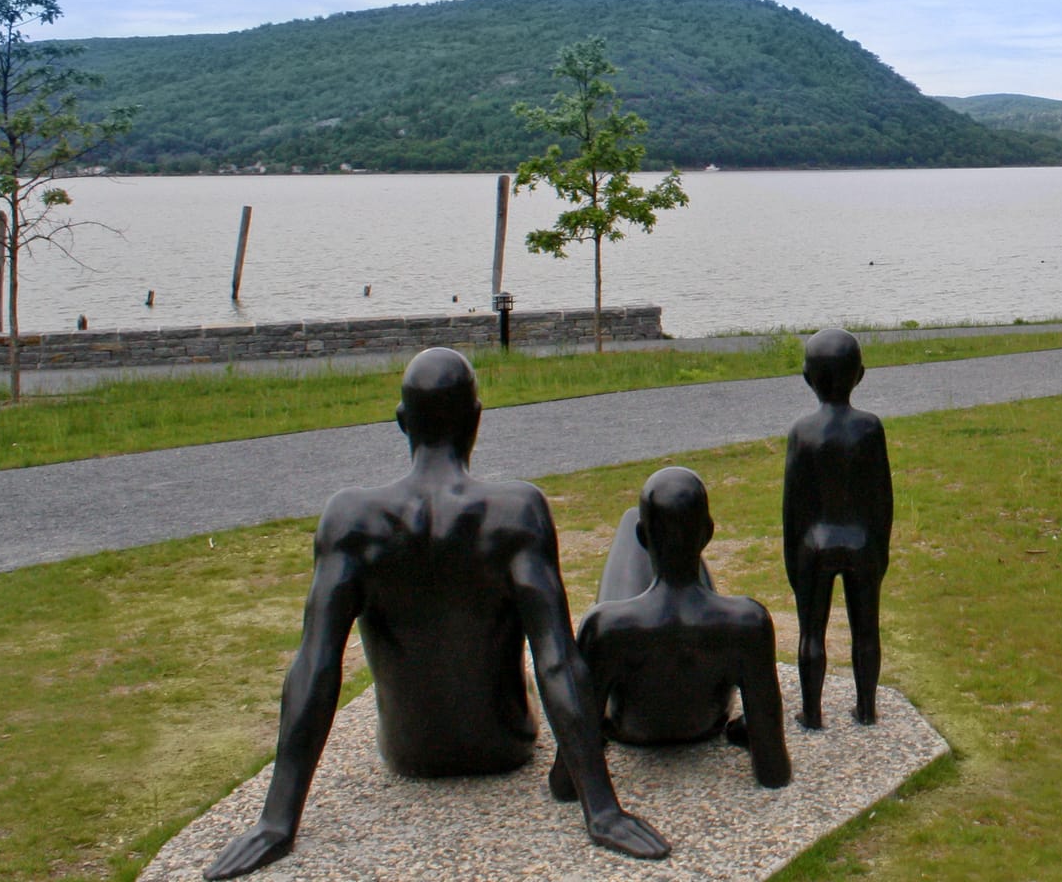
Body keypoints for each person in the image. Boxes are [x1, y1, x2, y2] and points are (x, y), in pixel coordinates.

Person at [204, 348, 666, 879]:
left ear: (402, 422)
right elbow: (557, 660)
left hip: (409, 753)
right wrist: (601, 808)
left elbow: (314, 666)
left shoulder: (351, 520)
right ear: (477, 419)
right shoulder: (516, 512)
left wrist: (277, 820)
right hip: (503, 745)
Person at [549, 466, 791, 794]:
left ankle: (652, 538)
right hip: (705, 724)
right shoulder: (749, 622)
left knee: (630, 519)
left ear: (643, 539)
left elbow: (565, 783)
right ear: (708, 533)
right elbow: (774, 772)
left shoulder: (605, 627)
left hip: (631, 729)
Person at [782, 328, 893, 730]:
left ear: (808, 379)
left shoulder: (802, 432)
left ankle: (812, 712)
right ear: (860, 374)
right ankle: (866, 708)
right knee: (867, 631)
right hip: (861, 542)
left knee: (811, 632)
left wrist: (793, 561)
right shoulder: (869, 428)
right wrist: (880, 551)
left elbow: (792, 506)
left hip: (815, 543)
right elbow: (883, 500)